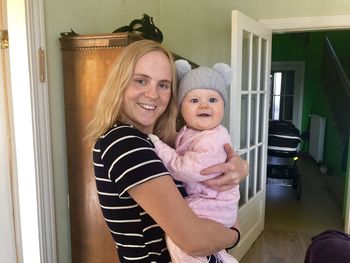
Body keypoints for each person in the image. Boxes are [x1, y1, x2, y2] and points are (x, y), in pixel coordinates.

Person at [87, 39, 248, 263]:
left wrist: (238, 165)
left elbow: (207, 201)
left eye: (163, 85)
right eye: (141, 81)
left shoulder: (162, 143)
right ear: (120, 84)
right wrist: (234, 235)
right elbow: (195, 240)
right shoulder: (124, 143)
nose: (152, 94)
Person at [148, 59, 240, 263]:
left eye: (213, 100)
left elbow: (186, 170)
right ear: (181, 108)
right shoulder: (188, 132)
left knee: (179, 236)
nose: (205, 105)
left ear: (223, 106)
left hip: (214, 206)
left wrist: (156, 144)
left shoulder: (214, 139)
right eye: (195, 100)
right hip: (206, 202)